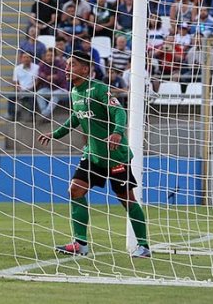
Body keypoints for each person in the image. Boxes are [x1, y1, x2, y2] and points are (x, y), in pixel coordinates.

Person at [38, 50, 151, 259]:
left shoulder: (99, 89)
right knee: (75, 190)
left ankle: (143, 246)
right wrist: (54, 134)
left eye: (72, 64)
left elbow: (119, 112)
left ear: (85, 69)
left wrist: (117, 133)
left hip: (115, 155)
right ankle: (80, 244)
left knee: (127, 199)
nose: (67, 67)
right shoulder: (74, 92)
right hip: (93, 155)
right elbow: (75, 118)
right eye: (67, 64)